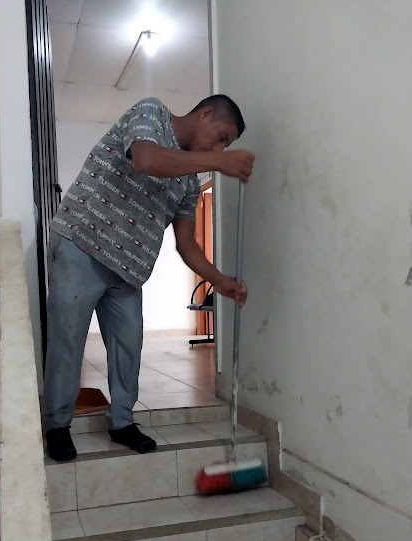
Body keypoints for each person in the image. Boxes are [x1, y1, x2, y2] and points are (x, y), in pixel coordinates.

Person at [42, 94, 255, 461]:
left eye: (225, 146)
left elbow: (186, 243)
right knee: (68, 340)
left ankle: (122, 422)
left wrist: (218, 279)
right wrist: (219, 162)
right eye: (220, 137)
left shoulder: (189, 182)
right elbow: (146, 159)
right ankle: (57, 426)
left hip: (127, 270)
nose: (219, 149)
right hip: (82, 244)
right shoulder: (151, 112)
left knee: (129, 346)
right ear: (205, 114)